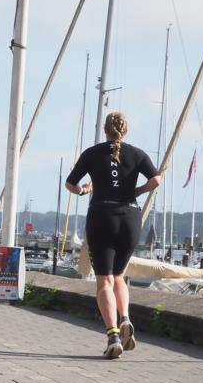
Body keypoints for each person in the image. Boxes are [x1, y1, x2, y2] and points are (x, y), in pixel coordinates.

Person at [65, 111, 161, 359]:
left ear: (105, 130)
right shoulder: (137, 153)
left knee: (104, 281)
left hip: (102, 215)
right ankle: (126, 317)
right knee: (119, 275)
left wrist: (83, 190)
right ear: (125, 131)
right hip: (130, 217)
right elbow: (156, 180)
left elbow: (70, 183)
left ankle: (113, 335)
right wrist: (136, 191)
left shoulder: (92, 153)